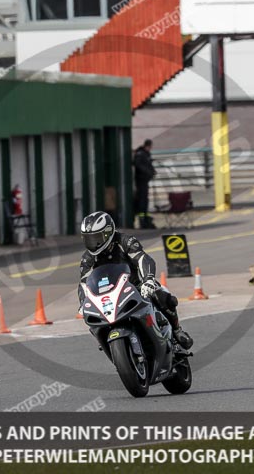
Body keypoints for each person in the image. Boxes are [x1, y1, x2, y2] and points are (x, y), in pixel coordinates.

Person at [78, 211, 193, 349]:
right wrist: (84, 302)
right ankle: (105, 341)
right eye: (88, 239)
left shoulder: (124, 241)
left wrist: (148, 280)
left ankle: (177, 330)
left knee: (163, 295)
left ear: (108, 232)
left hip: (137, 286)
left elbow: (143, 259)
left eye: (96, 238)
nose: (92, 243)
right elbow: (84, 282)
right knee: (91, 318)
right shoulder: (88, 258)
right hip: (109, 294)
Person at [133, 139, 156, 228]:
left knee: (145, 200)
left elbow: (149, 164)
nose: (150, 148)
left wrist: (152, 171)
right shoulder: (140, 154)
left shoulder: (146, 154)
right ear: (147, 146)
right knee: (142, 200)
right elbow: (138, 165)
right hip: (141, 180)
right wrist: (148, 172)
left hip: (145, 180)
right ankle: (142, 220)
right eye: (150, 147)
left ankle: (146, 218)